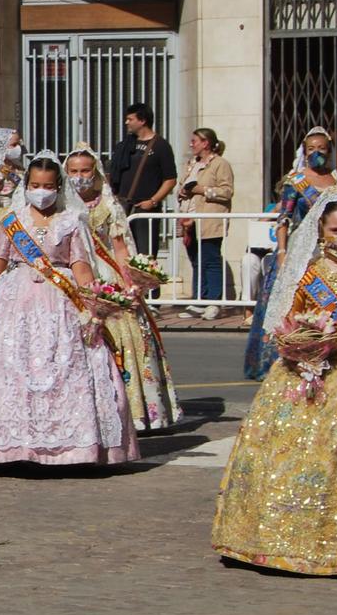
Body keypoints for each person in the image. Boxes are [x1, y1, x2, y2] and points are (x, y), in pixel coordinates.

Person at [214, 195, 337, 576]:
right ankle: (285, 537)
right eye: (336, 230)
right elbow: (291, 321)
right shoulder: (309, 275)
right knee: (294, 455)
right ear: (321, 230)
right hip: (311, 373)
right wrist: (300, 344)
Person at [0, 154, 138, 467]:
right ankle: (10, 445)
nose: (41, 191)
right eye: (35, 185)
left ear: (58, 187)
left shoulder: (72, 220)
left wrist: (93, 307)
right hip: (13, 299)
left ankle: (69, 447)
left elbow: (81, 266)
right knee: (9, 365)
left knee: (63, 366)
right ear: (26, 185)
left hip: (61, 299)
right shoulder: (10, 218)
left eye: (47, 186)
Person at [65, 147, 181, 434]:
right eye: (73, 171)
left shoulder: (108, 205)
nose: (80, 177)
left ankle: (133, 410)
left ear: (96, 172)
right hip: (74, 275)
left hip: (105, 276)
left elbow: (119, 248)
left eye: (85, 171)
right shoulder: (60, 206)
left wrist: (130, 283)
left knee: (125, 337)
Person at [245, 127, 337, 380]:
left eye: (321, 148)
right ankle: (285, 355)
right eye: (311, 149)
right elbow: (284, 219)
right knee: (291, 304)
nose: (316, 153)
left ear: (329, 150)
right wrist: (281, 251)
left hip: (332, 249)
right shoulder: (296, 182)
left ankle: (327, 351)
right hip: (302, 249)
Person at [176, 127, 235, 317]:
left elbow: (226, 191)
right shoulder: (192, 163)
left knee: (210, 259)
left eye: (194, 141)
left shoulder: (220, 164)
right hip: (189, 220)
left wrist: (201, 189)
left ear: (205, 143)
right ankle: (199, 300)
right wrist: (184, 191)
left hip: (208, 219)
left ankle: (213, 301)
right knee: (195, 261)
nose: (191, 144)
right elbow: (182, 186)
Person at [108, 104, 177, 255]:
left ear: (142, 121)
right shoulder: (125, 145)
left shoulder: (161, 146)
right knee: (121, 252)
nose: (126, 122)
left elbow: (170, 179)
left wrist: (153, 201)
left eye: (130, 119)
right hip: (122, 206)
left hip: (144, 209)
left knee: (145, 254)